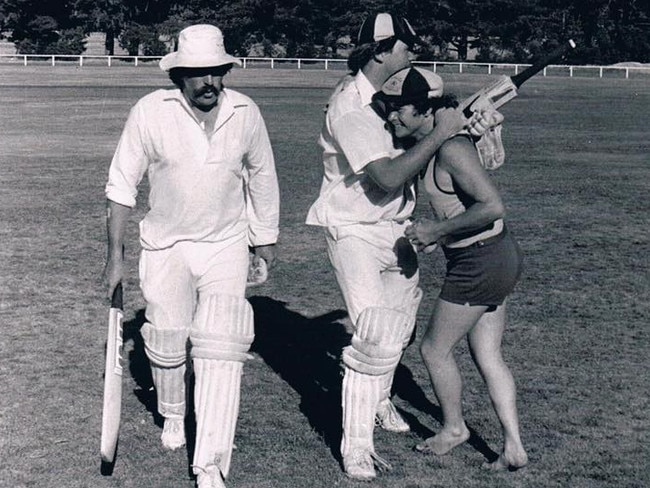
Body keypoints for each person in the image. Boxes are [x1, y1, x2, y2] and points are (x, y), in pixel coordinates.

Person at [305, 12, 500, 480]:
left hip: (395, 227)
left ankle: (377, 401)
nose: (412, 51)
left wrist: (463, 128)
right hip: (354, 229)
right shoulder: (352, 107)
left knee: (400, 330)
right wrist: (442, 132)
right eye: (404, 45)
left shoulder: (390, 98)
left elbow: (416, 145)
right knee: (373, 335)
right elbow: (389, 174)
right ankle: (356, 448)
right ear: (378, 51)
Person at [102, 24, 280, 488]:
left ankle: (211, 465)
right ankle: (174, 413)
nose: (210, 83)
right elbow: (121, 186)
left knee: (222, 346)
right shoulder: (150, 111)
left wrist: (263, 242)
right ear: (179, 75)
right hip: (166, 246)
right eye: (198, 74)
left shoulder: (245, 111)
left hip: (225, 244)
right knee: (166, 341)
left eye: (217, 72)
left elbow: (262, 177)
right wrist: (114, 257)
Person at [375, 66, 528, 471]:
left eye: (398, 109)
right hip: (491, 256)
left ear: (425, 111)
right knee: (487, 355)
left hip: (480, 260)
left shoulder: (451, 149)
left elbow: (492, 206)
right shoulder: (439, 141)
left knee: (433, 349)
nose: (391, 117)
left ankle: (453, 428)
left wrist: (435, 231)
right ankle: (513, 447)